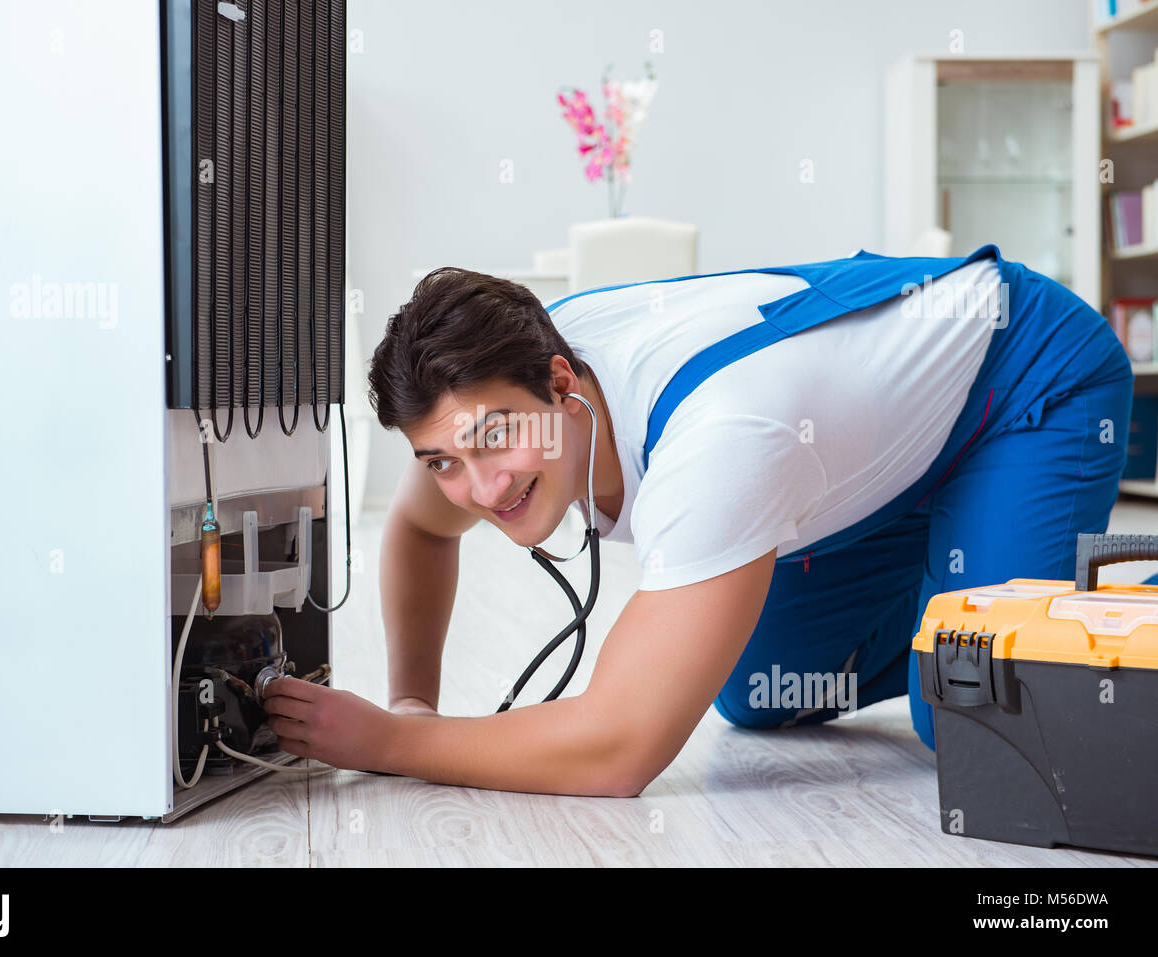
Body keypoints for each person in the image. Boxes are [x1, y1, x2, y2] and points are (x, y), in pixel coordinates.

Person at [258, 244, 1137, 797]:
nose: (481, 488)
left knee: (970, 723)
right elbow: (419, 529)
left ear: (562, 385)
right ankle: (963, 586)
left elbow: (619, 748)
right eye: (444, 461)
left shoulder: (719, 438)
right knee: (758, 690)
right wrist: (417, 697)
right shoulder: (495, 377)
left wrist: (398, 740)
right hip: (869, 449)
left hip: (1023, 377)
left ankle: (1040, 604)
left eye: (495, 442)